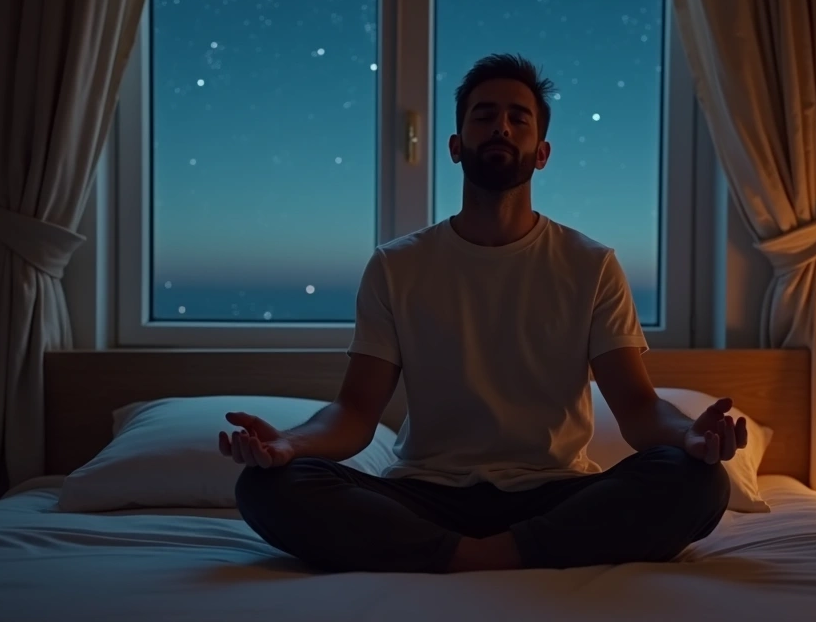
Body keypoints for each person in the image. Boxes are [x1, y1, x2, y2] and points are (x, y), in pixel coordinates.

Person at [219, 53, 748, 574]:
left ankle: (464, 555)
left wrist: (686, 436)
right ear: (455, 146)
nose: (501, 126)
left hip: (555, 493)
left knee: (698, 480)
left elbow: (637, 409)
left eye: (518, 117)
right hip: (426, 495)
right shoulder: (397, 266)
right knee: (267, 486)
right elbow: (355, 414)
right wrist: (290, 443)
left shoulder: (591, 265)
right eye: (484, 114)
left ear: (541, 153)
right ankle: (496, 553)